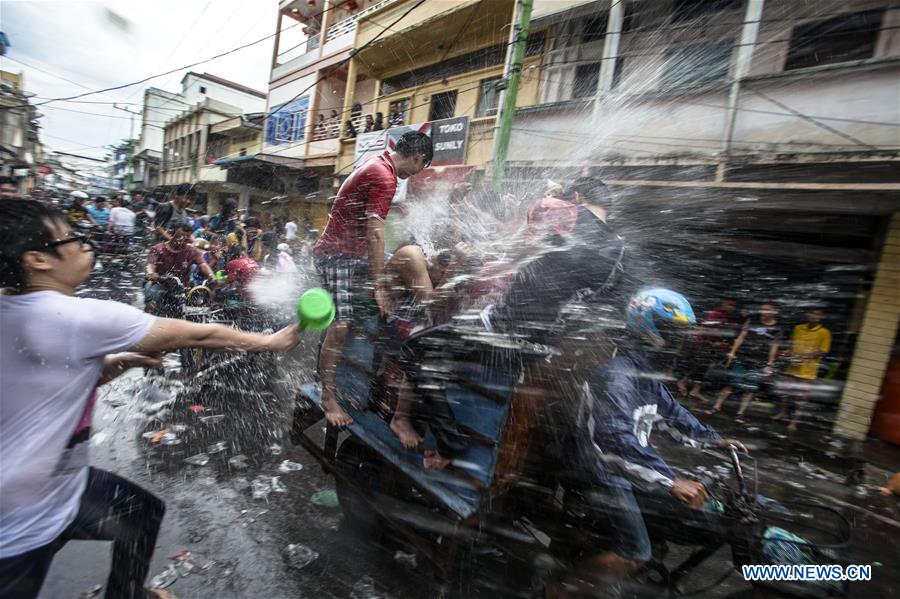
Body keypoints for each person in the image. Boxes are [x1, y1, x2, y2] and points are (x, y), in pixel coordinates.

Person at [0, 200, 301, 599]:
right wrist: (268, 341)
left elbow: (53, 380)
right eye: (71, 238)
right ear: (37, 259)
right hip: (19, 520)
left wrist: (117, 362)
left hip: (57, 489)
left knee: (140, 513)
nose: (85, 244)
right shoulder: (75, 315)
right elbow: (199, 335)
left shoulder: (15, 309)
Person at [550, 289, 746, 594]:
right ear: (650, 329)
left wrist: (715, 441)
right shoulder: (617, 376)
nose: (681, 342)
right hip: (600, 470)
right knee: (635, 551)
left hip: (626, 468)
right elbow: (613, 441)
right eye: (674, 332)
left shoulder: (645, 376)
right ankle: (559, 591)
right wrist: (671, 480)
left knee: (676, 518)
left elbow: (672, 415)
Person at [314, 131, 433, 427]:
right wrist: (379, 285)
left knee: (411, 258)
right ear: (419, 158)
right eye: (420, 168)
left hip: (355, 255)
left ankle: (412, 325)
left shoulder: (379, 164)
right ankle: (327, 396)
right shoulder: (385, 176)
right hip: (336, 255)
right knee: (340, 326)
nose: (415, 174)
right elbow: (375, 233)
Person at [707, 301, 782, 422]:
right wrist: (733, 351)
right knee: (731, 384)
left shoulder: (777, 328)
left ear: (775, 312)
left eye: (768, 309)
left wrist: (770, 364)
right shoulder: (753, 320)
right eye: (763, 309)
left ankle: (740, 414)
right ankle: (716, 407)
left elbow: (774, 347)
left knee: (750, 388)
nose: (764, 312)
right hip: (743, 356)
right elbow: (742, 336)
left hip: (759, 361)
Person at [774, 306, 831, 432]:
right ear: (807, 314)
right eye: (812, 312)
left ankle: (794, 422)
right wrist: (788, 353)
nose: (814, 316)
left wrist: (804, 356)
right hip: (792, 367)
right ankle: (783, 412)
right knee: (784, 392)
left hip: (808, 372)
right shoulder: (798, 328)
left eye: (817, 314)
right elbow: (793, 345)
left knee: (801, 399)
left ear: (822, 317)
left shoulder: (824, 332)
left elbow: (823, 351)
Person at [676, 298, 743, 401]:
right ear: (723, 303)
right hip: (703, 344)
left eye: (733, 306)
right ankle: (683, 383)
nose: (732, 308)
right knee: (698, 367)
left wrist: (719, 343)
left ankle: (694, 390)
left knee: (703, 369)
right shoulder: (716, 314)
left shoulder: (725, 316)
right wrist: (715, 343)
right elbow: (708, 330)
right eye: (729, 304)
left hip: (709, 346)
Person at [144, 221, 216, 315]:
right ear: (174, 233)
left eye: (187, 236)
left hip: (182, 289)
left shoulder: (191, 251)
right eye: (182, 235)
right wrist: (151, 273)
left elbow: (203, 264)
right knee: (152, 304)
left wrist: (212, 276)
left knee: (201, 309)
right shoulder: (157, 249)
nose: (184, 238)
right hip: (160, 285)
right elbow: (150, 265)